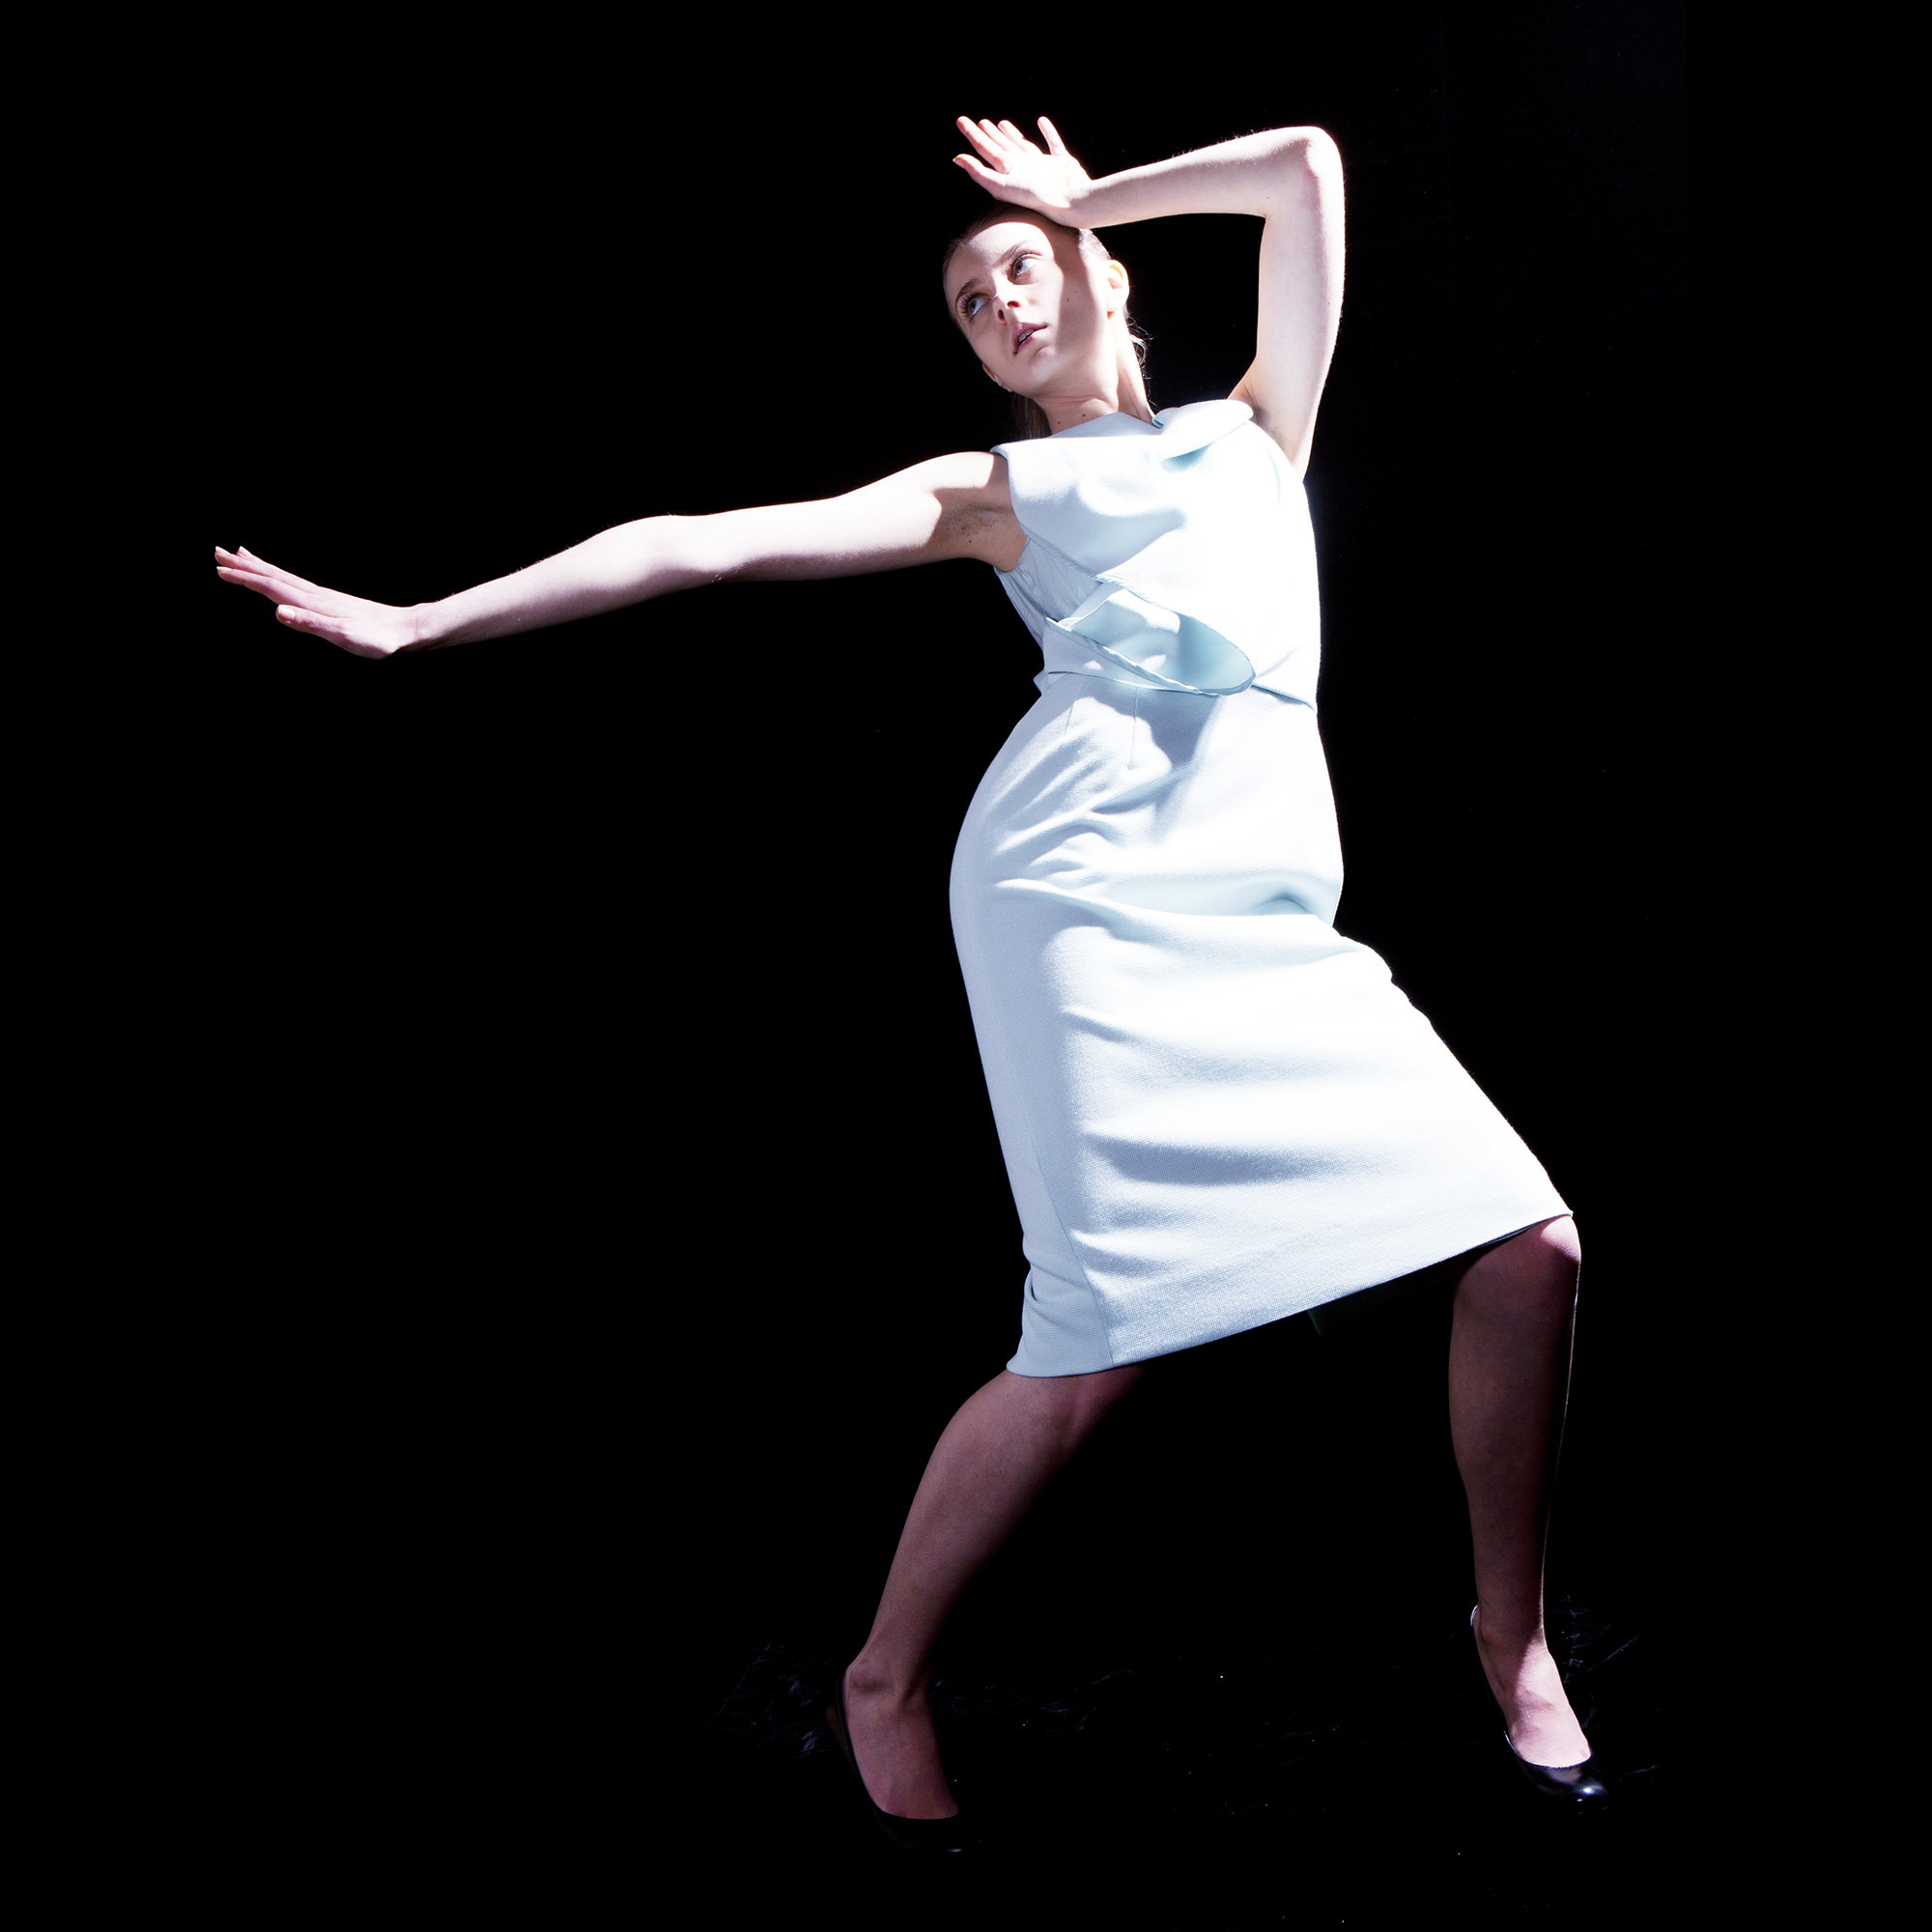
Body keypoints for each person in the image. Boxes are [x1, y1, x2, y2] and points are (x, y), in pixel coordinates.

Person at [216, 113, 1606, 1848]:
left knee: (1529, 1248)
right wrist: (424, 622)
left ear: (1106, 277)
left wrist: (1077, 195)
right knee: (1094, 1347)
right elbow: (703, 540)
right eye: (969, 300)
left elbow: (1308, 169)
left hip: (1261, 909)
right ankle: (882, 1677)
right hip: (1076, 901)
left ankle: (1511, 1634)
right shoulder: (1000, 493)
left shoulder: (1258, 433)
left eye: (1023, 266)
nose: (1002, 300)